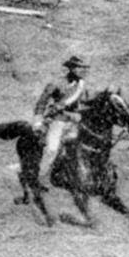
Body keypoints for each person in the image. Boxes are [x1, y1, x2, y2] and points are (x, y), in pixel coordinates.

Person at [33, 55, 89, 188]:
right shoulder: (56, 84)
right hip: (58, 121)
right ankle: (38, 176)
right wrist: (38, 122)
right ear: (71, 68)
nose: (82, 70)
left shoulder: (81, 85)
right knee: (52, 149)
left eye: (83, 68)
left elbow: (83, 104)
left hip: (75, 122)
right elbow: (41, 103)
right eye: (79, 67)